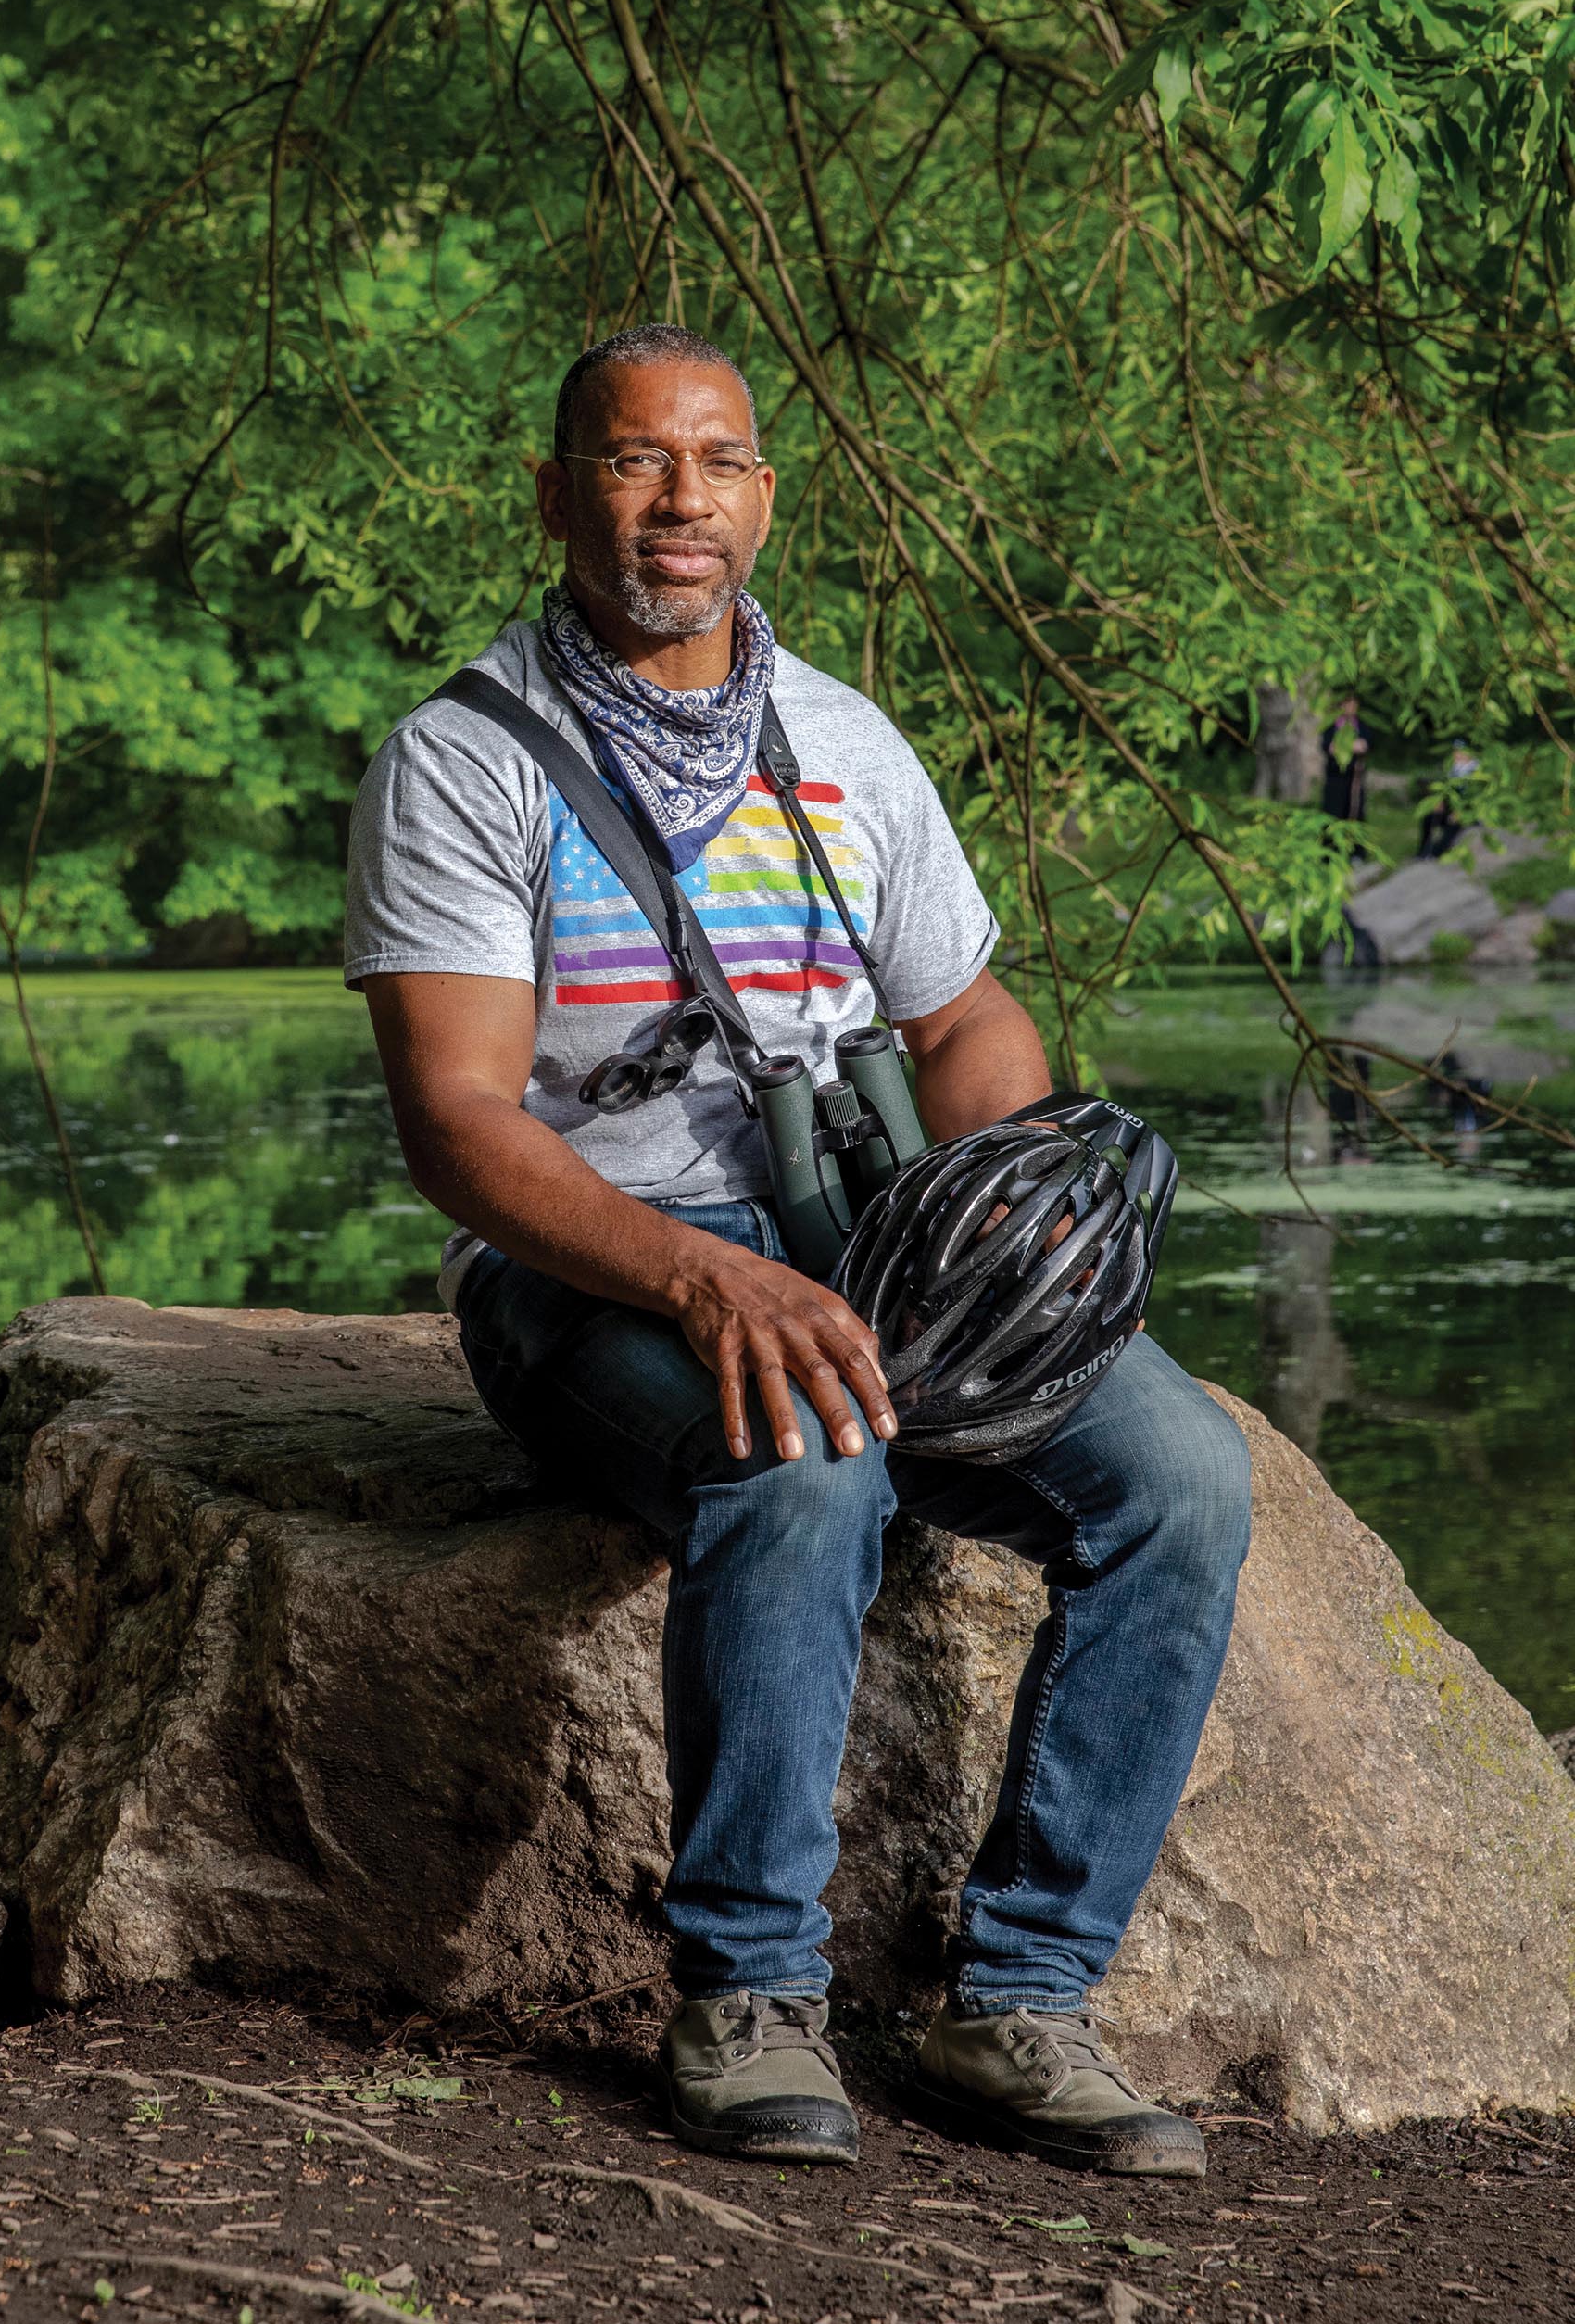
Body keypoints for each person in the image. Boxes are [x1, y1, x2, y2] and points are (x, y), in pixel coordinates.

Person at [344, 324, 1252, 2180]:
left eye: (716, 463)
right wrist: (698, 1277)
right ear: (557, 492)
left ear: (763, 497)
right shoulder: (462, 761)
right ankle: (748, 1991)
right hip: (592, 1267)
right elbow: (460, 1124)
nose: (678, 502)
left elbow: (970, 1020)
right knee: (805, 1450)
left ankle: (1021, 2000)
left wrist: (999, 1212)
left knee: (1180, 1475)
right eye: (629, 460)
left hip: (863, 1240)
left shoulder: (840, 739)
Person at [1320, 692, 1370, 855]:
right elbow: (1329, 747)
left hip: (1355, 777)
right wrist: (1350, 746)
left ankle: (1356, 852)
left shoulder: (1361, 725)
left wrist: (1344, 746)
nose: (1351, 708)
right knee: (1332, 813)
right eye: (1347, 704)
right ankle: (1330, 851)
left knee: (1355, 812)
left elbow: (1365, 745)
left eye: (1354, 704)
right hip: (1335, 777)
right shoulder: (1332, 725)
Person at [1418, 739, 1477, 861]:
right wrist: (1440, 802)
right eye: (1455, 751)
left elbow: (1475, 798)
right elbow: (1447, 791)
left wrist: (1460, 812)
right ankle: (1423, 851)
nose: (1456, 754)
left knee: (1453, 824)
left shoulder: (1476, 771)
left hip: (1467, 812)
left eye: (1460, 751)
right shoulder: (1453, 770)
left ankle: (1436, 853)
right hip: (1452, 808)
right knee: (1429, 817)